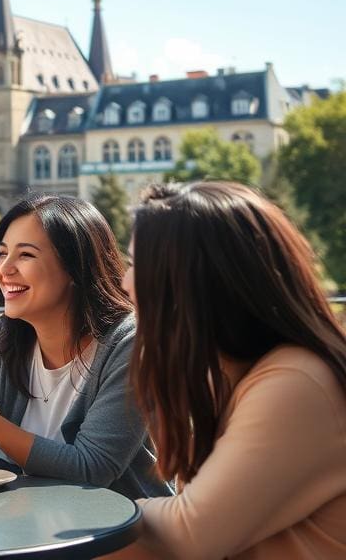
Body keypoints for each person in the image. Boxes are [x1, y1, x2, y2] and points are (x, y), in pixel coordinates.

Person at [113, 182, 346, 558]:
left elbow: (189, 534)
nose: (124, 283)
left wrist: (84, 514)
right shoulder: (229, 375)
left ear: (193, 282)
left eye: (137, 265)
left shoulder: (298, 383)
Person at [0, 194, 171, 499]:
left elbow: (94, 468)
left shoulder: (130, 344)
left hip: (119, 532)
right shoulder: (6, 336)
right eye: (2, 253)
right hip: (25, 529)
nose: (4, 268)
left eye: (25, 255)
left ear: (74, 267)